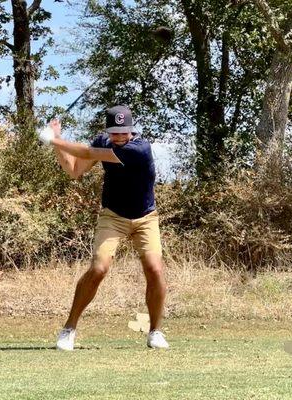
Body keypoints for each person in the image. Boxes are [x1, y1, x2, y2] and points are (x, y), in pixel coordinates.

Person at [41, 105, 169, 350]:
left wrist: (56, 140)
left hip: (145, 218)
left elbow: (88, 152)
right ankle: (69, 329)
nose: (120, 137)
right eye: (114, 132)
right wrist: (57, 142)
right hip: (113, 217)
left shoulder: (140, 149)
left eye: (124, 132)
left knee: (155, 269)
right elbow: (74, 169)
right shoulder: (104, 142)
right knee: (99, 268)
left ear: (132, 130)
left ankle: (155, 332)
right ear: (108, 131)